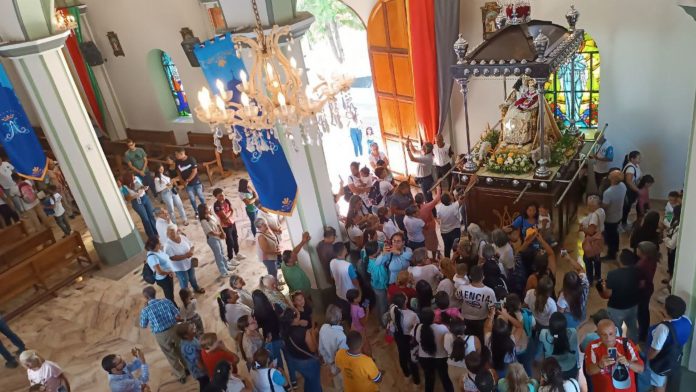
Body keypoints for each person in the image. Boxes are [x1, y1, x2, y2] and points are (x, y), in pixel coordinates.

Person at [138, 286, 187, 383]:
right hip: (174, 329)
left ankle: (181, 375)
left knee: (170, 355)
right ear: (155, 293)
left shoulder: (146, 310)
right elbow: (177, 314)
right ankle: (188, 367)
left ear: (146, 297)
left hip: (161, 335)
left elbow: (143, 325)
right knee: (180, 349)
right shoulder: (166, 301)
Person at [647, 295, 693, 392]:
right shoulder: (687, 320)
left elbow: (655, 350)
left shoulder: (663, 328)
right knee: (666, 374)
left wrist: (647, 358)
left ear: (666, 311)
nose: (662, 305)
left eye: (664, 305)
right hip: (674, 356)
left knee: (658, 383)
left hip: (661, 360)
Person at [585, 319, 644, 392]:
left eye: (611, 334)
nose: (608, 338)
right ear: (598, 334)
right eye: (604, 334)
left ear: (616, 332)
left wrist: (628, 363)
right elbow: (589, 371)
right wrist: (600, 365)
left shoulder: (626, 343)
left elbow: (641, 369)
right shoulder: (592, 347)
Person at [598, 249, 641, 342]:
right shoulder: (637, 272)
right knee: (633, 327)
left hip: (616, 308)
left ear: (620, 260)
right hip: (633, 306)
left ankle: (618, 345)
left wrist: (603, 288)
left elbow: (607, 294)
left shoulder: (613, 274)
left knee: (616, 329)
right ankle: (633, 346)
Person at [279, 308, 322, 392]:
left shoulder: (284, 331)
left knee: (308, 380)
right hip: (308, 363)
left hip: (296, 361)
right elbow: (313, 349)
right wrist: (313, 333)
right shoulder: (303, 332)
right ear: (295, 318)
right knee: (315, 383)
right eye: (298, 314)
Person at [415, 308, 454, 392]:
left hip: (424, 358)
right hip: (441, 358)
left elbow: (418, 341)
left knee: (428, 379)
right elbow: (447, 341)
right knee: (444, 378)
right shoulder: (442, 328)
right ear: (433, 318)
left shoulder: (418, 328)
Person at [457, 265, 496, 342]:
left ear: (470, 277)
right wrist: (490, 319)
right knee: (480, 339)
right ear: (483, 277)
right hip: (481, 320)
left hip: (465, 319)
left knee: (467, 339)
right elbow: (492, 308)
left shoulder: (462, 288)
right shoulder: (489, 292)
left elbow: (458, 297)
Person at [389, 293, 421, 385]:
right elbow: (417, 328)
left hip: (398, 335)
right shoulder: (412, 315)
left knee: (402, 354)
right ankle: (416, 380)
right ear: (405, 302)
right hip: (408, 338)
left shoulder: (392, 309)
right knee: (412, 359)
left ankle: (406, 372)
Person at [164, 225, 205, 293]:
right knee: (184, 282)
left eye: (173, 232)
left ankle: (196, 288)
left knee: (192, 278)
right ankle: (186, 296)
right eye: (169, 233)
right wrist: (186, 256)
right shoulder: (168, 245)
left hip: (189, 263)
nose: (171, 234)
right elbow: (172, 257)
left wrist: (191, 252)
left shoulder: (183, 237)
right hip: (179, 268)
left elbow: (191, 246)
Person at [318, 305, 349, 392]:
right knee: (346, 385)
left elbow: (321, 349)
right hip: (341, 367)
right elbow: (343, 356)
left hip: (330, 364)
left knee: (338, 386)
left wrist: (328, 360)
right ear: (340, 317)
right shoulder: (341, 336)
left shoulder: (323, 328)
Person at [539, 312, 579, 379]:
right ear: (565, 324)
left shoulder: (543, 334)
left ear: (550, 324)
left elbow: (541, 353)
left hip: (552, 368)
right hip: (569, 367)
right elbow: (575, 351)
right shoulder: (573, 332)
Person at [444, 318, 479, 392]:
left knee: (456, 388)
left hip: (452, 368)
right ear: (465, 327)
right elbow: (478, 354)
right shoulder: (474, 339)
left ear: (450, 329)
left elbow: (446, 350)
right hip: (468, 369)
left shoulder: (446, 337)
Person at [199, 203, 233, 278]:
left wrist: (222, 232)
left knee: (222, 252)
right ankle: (223, 272)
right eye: (208, 208)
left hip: (217, 236)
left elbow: (218, 224)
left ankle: (226, 266)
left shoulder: (210, 215)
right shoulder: (203, 221)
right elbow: (210, 232)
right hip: (212, 239)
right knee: (218, 255)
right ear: (204, 210)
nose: (209, 208)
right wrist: (220, 234)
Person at [635, 241, 660, 342]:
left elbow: (641, 282)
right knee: (644, 311)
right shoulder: (651, 261)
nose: (636, 250)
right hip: (648, 289)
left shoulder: (642, 265)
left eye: (638, 249)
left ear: (644, 252)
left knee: (641, 312)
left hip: (642, 292)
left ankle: (642, 334)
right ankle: (643, 331)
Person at [120, 171, 157, 238]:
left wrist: (144, 188)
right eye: (132, 177)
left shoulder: (137, 178)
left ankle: (156, 232)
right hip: (136, 202)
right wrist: (136, 195)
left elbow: (141, 186)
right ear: (128, 179)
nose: (134, 177)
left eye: (133, 176)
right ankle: (151, 236)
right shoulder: (125, 187)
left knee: (151, 215)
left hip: (145, 198)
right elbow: (127, 198)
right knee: (145, 219)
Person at [557, 254, 589, 329]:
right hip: (582, 309)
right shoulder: (585, 282)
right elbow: (580, 269)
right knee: (580, 321)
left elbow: (560, 313)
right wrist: (569, 258)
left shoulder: (563, 296)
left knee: (571, 329)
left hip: (570, 317)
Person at [330, 243, 360, 322]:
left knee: (346, 310)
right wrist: (359, 290)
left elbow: (332, 277)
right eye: (345, 248)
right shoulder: (348, 265)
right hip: (350, 294)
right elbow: (355, 282)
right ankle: (354, 325)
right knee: (353, 313)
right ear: (343, 251)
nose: (346, 249)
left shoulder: (332, 262)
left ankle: (349, 323)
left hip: (339, 292)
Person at [213, 188, 244, 262]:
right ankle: (231, 257)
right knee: (230, 242)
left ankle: (237, 253)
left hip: (232, 223)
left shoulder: (226, 201)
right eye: (220, 195)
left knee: (235, 238)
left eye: (223, 195)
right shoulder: (216, 206)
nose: (222, 197)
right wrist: (229, 213)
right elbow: (224, 217)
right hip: (225, 226)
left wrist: (228, 214)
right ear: (216, 197)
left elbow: (232, 210)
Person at [175, 322, 209, 391]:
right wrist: (206, 370)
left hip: (202, 368)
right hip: (200, 372)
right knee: (205, 384)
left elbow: (198, 347)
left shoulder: (191, 338)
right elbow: (198, 362)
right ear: (186, 335)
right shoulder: (188, 347)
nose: (195, 329)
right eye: (192, 329)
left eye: (193, 327)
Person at [601, 170, 626, 260]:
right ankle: (616, 248)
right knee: (615, 234)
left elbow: (604, 207)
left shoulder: (608, 192)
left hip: (610, 218)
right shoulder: (623, 186)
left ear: (613, 179)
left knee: (610, 235)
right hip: (619, 214)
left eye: (610, 175)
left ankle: (611, 255)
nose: (609, 175)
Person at [580, 195, 605, 283]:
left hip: (592, 239)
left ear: (594, 206)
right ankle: (598, 276)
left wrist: (582, 229)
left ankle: (589, 279)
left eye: (589, 205)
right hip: (599, 237)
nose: (588, 207)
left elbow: (590, 231)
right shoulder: (601, 211)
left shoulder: (594, 216)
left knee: (588, 259)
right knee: (597, 257)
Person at [144, 237, 177, 304]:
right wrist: (169, 272)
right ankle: (173, 308)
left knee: (171, 293)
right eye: (158, 243)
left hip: (167, 275)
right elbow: (159, 272)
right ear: (155, 246)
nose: (160, 243)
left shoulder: (157, 250)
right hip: (164, 279)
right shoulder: (153, 257)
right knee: (169, 296)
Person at [175, 148, 206, 216]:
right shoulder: (177, 161)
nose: (176, 156)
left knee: (200, 195)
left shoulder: (191, 159)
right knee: (192, 198)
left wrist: (187, 180)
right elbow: (178, 171)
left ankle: (205, 209)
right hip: (188, 185)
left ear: (182, 154)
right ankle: (196, 211)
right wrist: (181, 180)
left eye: (177, 154)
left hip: (196, 181)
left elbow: (194, 171)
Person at [281, 232, 312, 297]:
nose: (296, 255)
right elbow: (299, 292)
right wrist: (307, 301)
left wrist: (303, 241)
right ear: (290, 260)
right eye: (294, 256)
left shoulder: (284, 263)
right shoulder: (292, 275)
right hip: (302, 296)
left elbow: (295, 251)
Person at [406, 137, 436, 202]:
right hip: (422, 179)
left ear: (427, 150)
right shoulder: (424, 152)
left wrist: (407, 148)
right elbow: (414, 151)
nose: (421, 148)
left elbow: (412, 159)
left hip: (426, 180)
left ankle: (431, 210)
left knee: (428, 198)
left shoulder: (428, 158)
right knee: (426, 196)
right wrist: (410, 143)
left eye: (423, 147)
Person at [416, 186, 442, 255]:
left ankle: (430, 254)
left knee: (426, 242)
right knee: (433, 244)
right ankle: (434, 258)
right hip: (430, 228)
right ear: (423, 199)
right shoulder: (426, 207)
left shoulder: (415, 208)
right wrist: (438, 189)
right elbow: (437, 199)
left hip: (422, 230)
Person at [437, 192, 463, 257]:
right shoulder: (454, 206)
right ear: (450, 200)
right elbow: (461, 200)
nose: (451, 195)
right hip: (455, 231)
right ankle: (456, 260)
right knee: (455, 246)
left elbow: (438, 218)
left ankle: (447, 262)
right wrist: (462, 196)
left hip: (444, 232)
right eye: (450, 195)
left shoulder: (439, 207)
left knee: (447, 247)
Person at [621, 151, 642, 228]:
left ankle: (625, 222)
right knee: (625, 207)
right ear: (632, 159)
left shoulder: (636, 166)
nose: (640, 159)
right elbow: (629, 182)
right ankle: (623, 223)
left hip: (632, 190)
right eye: (638, 158)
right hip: (628, 191)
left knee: (628, 207)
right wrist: (638, 190)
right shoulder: (630, 168)